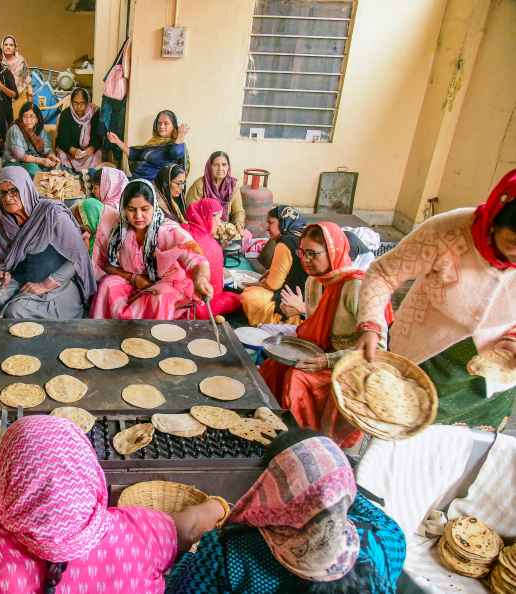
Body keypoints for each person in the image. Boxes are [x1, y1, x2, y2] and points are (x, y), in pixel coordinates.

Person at [0, 414, 226, 594]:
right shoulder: (141, 531)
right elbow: (189, 526)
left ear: (4, 479)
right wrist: (219, 507)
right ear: (90, 473)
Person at [356, 169, 516, 429]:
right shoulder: (448, 232)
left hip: (490, 383)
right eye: (513, 241)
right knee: (400, 434)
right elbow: (383, 274)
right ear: (495, 220)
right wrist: (371, 324)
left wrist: (512, 340)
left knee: (461, 456)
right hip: (424, 358)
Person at [166, 430, 406, 594]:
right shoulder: (387, 539)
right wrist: (323, 485)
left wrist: (187, 546)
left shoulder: (229, 557)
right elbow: (336, 494)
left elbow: (180, 588)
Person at [259, 223, 390, 448]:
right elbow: (315, 326)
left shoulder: (357, 287)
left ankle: (308, 442)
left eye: (313, 254)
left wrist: (326, 361)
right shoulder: (314, 282)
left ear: (333, 251)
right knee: (272, 366)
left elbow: (377, 350)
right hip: (319, 352)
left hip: (351, 365)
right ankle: (272, 426)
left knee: (297, 378)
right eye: (302, 253)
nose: (306, 260)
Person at [0, 166, 97, 320]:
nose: (8, 198)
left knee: (15, 312)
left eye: (14, 191)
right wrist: (0, 272)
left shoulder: (52, 215)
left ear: (26, 189)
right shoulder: (2, 222)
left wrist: (45, 285)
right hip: (20, 280)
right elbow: (0, 260)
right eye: (2, 193)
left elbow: (78, 258)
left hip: (58, 284)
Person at [90, 180, 214, 320]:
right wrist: (134, 278)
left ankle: (146, 338)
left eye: (144, 209)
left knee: (158, 298)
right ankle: (110, 333)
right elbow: (107, 265)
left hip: (164, 282)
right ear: (124, 209)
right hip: (131, 280)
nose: (138, 216)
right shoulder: (119, 232)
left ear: (154, 207)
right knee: (107, 285)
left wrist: (201, 279)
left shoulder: (166, 230)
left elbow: (197, 260)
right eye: (131, 209)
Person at [241, 205, 309, 326]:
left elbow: (273, 284)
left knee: (250, 295)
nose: (267, 227)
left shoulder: (285, 243)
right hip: (308, 298)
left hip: (293, 298)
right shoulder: (303, 237)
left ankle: (280, 320)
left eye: (271, 222)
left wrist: (254, 284)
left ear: (283, 222)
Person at [183, 200, 242, 319]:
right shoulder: (210, 246)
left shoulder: (181, 230)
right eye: (218, 218)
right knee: (240, 299)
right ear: (208, 217)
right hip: (196, 306)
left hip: (172, 301)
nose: (220, 224)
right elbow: (214, 289)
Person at [107, 110, 189, 182]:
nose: (161, 126)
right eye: (159, 123)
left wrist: (180, 135)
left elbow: (175, 153)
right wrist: (117, 141)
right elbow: (134, 154)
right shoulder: (153, 142)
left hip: (149, 187)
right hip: (135, 180)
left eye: (166, 123)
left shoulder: (175, 145)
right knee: (106, 174)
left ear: (174, 127)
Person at [185, 151, 246, 235]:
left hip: (225, 229)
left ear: (228, 167)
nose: (220, 168)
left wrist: (238, 224)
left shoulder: (233, 186)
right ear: (209, 167)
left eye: (224, 165)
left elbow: (238, 211)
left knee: (246, 235)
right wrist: (209, 228)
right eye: (216, 165)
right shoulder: (200, 185)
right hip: (204, 229)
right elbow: (191, 211)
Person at [55, 88, 104, 172]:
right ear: (71, 102)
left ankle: (87, 176)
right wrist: (71, 150)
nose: (78, 106)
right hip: (70, 152)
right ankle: (70, 174)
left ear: (88, 102)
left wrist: (91, 149)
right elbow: (62, 139)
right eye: (75, 103)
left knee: (97, 156)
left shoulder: (95, 113)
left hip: (88, 152)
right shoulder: (66, 114)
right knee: (62, 156)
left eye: (82, 103)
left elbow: (98, 137)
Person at [3, 102, 58, 175]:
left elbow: (47, 150)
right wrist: (41, 161)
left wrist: (51, 156)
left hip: (36, 161)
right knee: (33, 169)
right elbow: (20, 156)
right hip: (15, 163)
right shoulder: (15, 130)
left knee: (54, 167)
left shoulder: (39, 130)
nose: (28, 120)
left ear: (37, 119)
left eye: (32, 116)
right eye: (25, 116)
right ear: (21, 117)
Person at [1, 34, 31, 110]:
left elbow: (27, 81)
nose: (8, 47)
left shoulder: (21, 62)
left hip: (19, 98)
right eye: (6, 44)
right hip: (1, 99)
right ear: (2, 46)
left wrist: (30, 102)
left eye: (11, 45)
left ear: (15, 48)